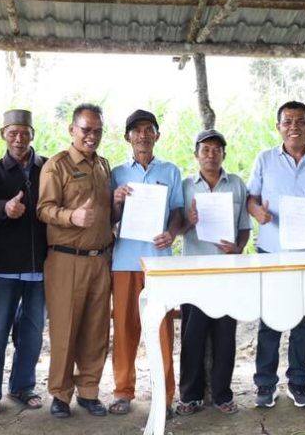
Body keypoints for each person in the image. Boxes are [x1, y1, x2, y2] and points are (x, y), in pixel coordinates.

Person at [247, 101, 305, 409]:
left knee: (304, 321)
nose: (293, 127)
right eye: (287, 122)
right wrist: (257, 212)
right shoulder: (264, 159)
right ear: (278, 127)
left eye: (300, 121)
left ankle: (299, 383)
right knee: (270, 321)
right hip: (271, 252)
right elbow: (251, 199)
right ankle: (265, 384)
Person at [37, 104, 113, 419]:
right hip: (67, 260)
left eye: (97, 130)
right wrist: (72, 216)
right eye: (85, 129)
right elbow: (43, 209)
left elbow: (107, 212)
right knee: (65, 330)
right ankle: (60, 394)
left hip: (100, 260)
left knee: (96, 331)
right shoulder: (58, 166)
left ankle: (89, 391)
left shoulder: (104, 166)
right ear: (72, 130)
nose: (91, 136)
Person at [109, 109, 183, 417]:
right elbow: (110, 218)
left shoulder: (170, 171)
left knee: (163, 329)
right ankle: (123, 391)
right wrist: (116, 200)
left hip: (158, 263)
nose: (142, 135)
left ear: (157, 135)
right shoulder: (116, 173)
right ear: (127, 137)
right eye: (136, 130)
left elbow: (177, 210)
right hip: (124, 260)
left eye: (148, 129)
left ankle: (164, 395)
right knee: (125, 328)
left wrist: (171, 232)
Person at [0, 109, 47, 415]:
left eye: (25, 133)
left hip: (39, 266)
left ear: (33, 134)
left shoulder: (48, 167)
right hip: (3, 266)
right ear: (3, 133)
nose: (19, 139)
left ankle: (23, 386)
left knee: (31, 332)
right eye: (13, 133)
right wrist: (5, 208)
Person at [177, 129, 251, 416]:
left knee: (225, 337)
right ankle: (189, 396)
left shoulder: (236, 185)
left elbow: (244, 228)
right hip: (193, 272)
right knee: (191, 335)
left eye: (216, 149)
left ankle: (222, 395)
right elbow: (177, 230)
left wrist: (238, 248)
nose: (211, 154)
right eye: (205, 149)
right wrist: (189, 221)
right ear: (196, 154)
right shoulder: (185, 187)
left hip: (226, 271)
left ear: (224, 154)